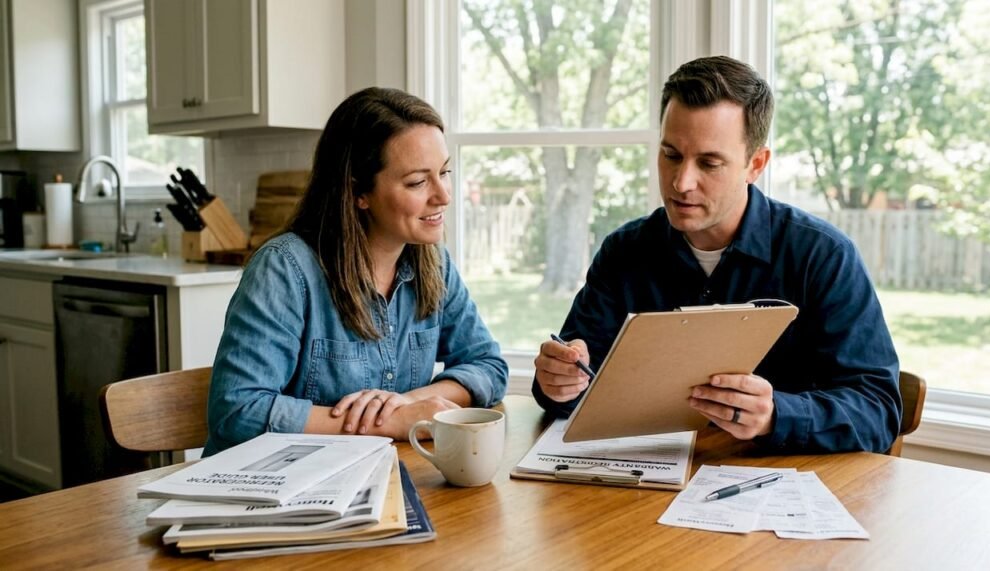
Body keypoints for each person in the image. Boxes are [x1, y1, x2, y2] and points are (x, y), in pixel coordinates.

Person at [532, 56, 900, 453]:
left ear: (755, 164)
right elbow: (574, 383)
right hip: (637, 491)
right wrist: (557, 381)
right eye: (671, 154)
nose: (681, 181)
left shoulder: (822, 256)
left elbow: (878, 409)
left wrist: (777, 414)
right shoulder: (624, 252)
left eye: (709, 163)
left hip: (774, 489)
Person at [204, 87, 508, 456]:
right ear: (357, 193)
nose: (443, 195)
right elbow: (237, 412)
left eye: (444, 172)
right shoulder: (285, 269)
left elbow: (489, 366)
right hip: (266, 489)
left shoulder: (433, 264)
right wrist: (385, 423)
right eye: (417, 181)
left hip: (369, 480)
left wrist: (407, 404)